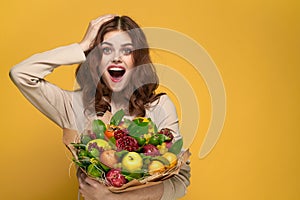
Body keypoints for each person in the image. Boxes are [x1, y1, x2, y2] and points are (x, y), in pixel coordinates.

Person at [9, 14, 190, 200]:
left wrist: (113, 198)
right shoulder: (75, 106)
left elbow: (179, 181)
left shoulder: (159, 107)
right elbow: (20, 74)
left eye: (127, 50)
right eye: (107, 50)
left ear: (137, 59)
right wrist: (81, 47)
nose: (117, 58)